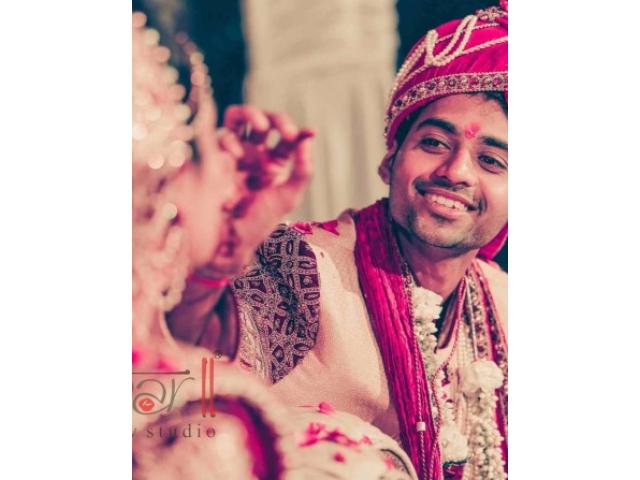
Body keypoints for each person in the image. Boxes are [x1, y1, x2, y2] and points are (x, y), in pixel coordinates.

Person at [167, 3, 508, 479]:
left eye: (491, 161)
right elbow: (173, 380)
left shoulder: (502, 304)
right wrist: (217, 262)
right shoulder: (300, 268)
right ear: (390, 159)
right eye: (433, 143)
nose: (455, 172)